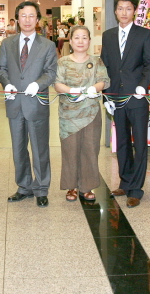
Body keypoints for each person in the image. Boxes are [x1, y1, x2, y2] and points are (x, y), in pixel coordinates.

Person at [0, 1, 58, 207]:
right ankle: (24, 187)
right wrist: (6, 83)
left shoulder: (47, 45)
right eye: (23, 16)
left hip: (36, 104)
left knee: (40, 149)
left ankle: (41, 188)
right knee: (18, 149)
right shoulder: (7, 43)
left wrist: (37, 84)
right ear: (17, 19)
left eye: (32, 16)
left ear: (37, 19)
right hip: (14, 103)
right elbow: (2, 69)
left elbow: (51, 72)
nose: (27, 20)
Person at [100, 0, 150, 208]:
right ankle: (125, 182)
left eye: (128, 8)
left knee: (139, 143)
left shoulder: (144, 34)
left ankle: (136, 189)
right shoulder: (108, 35)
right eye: (120, 8)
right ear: (115, 11)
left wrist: (143, 85)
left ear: (134, 11)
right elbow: (105, 66)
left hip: (137, 96)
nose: (124, 12)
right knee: (121, 141)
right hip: (116, 96)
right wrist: (106, 96)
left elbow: (149, 64)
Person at [54, 25, 110, 202]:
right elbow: (57, 84)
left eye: (84, 38)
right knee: (70, 150)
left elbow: (104, 81)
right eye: (76, 37)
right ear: (70, 41)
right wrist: (71, 91)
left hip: (91, 113)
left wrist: (95, 88)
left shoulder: (96, 61)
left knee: (90, 149)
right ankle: (71, 186)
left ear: (89, 41)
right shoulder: (62, 62)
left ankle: (87, 186)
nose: (80, 41)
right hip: (68, 116)